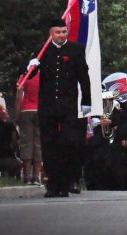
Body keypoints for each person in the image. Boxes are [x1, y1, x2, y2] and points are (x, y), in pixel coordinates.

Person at [27, 24, 91, 198]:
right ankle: (53, 184)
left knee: (68, 143)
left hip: (68, 106)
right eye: (58, 32)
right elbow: (28, 76)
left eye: (64, 32)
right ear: (51, 33)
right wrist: (30, 66)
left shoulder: (75, 50)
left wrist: (87, 102)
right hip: (47, 106)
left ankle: (66, 182)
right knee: (49, 145)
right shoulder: (42, 50)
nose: (61, 35)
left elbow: (83, 77)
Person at [14, 57, 43, 186]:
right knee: (38, 143)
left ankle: (26, 175)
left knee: (26, 143)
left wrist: (17, 114)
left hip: (26, 111)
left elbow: (19, 96)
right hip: (40, 111)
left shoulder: (24, 77)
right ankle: (36, 176)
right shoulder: (44, 77)